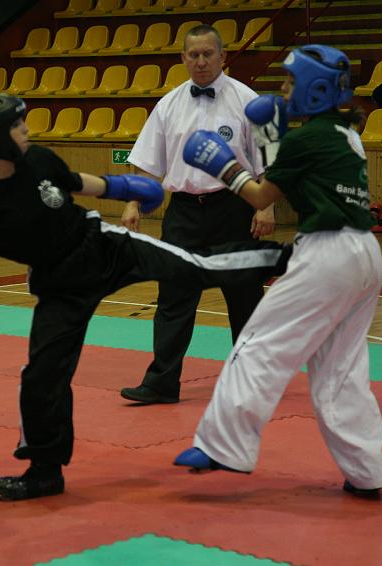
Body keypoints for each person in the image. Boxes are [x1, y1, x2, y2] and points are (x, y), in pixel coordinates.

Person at [0, 92, 290, 501]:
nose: (26, 128)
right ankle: (44, 470)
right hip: (60, 285)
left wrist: (123, 188)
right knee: (43, 374)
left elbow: (78, 183)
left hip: (104, 247)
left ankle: (283, 258)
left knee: (192, 266)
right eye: (15, 125)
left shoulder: (39, 159)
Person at [174, 44, 382, 497]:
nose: (284, 89)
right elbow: (295, 177)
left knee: (259, 344)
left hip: (328, 254)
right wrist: (273, 140)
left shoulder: (306, 139)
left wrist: (224, 165)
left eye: (292, 82)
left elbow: (261, 196)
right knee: (342, 368)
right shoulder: (345, 132)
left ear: (315, 89)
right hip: (365, 254)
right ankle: (367, 470)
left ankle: (223, 446)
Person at [118, 24, 275, 405]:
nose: (201, 61)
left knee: (244, 297)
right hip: (184, 212)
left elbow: (270, 160)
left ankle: (253, 380)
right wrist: (133, 202)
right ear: (183, 58)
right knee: (173, 297)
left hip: (234, 207)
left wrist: (266, 205)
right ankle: (161, 383)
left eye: (208, 54)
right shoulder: (168, 104)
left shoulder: (248, 100)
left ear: (223, 56)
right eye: (194, 55)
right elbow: (147, 161)